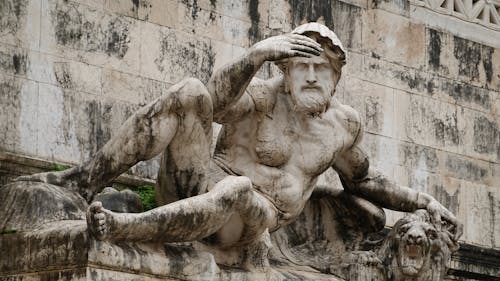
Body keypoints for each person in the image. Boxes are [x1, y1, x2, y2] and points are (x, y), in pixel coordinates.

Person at [18, 23, 461, 269]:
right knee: (190, 91)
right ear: (284, 71)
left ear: (336, 77)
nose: (310, 76)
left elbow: (364, 179)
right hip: (194, 187)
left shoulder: (342, 127)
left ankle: (120, 228)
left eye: (321, 69)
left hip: (249, 220)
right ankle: (81, 182)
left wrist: (423, 200)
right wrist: (254, 56)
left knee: (239, 192)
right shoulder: (264, 95)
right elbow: (212, 104)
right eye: (300, 65)